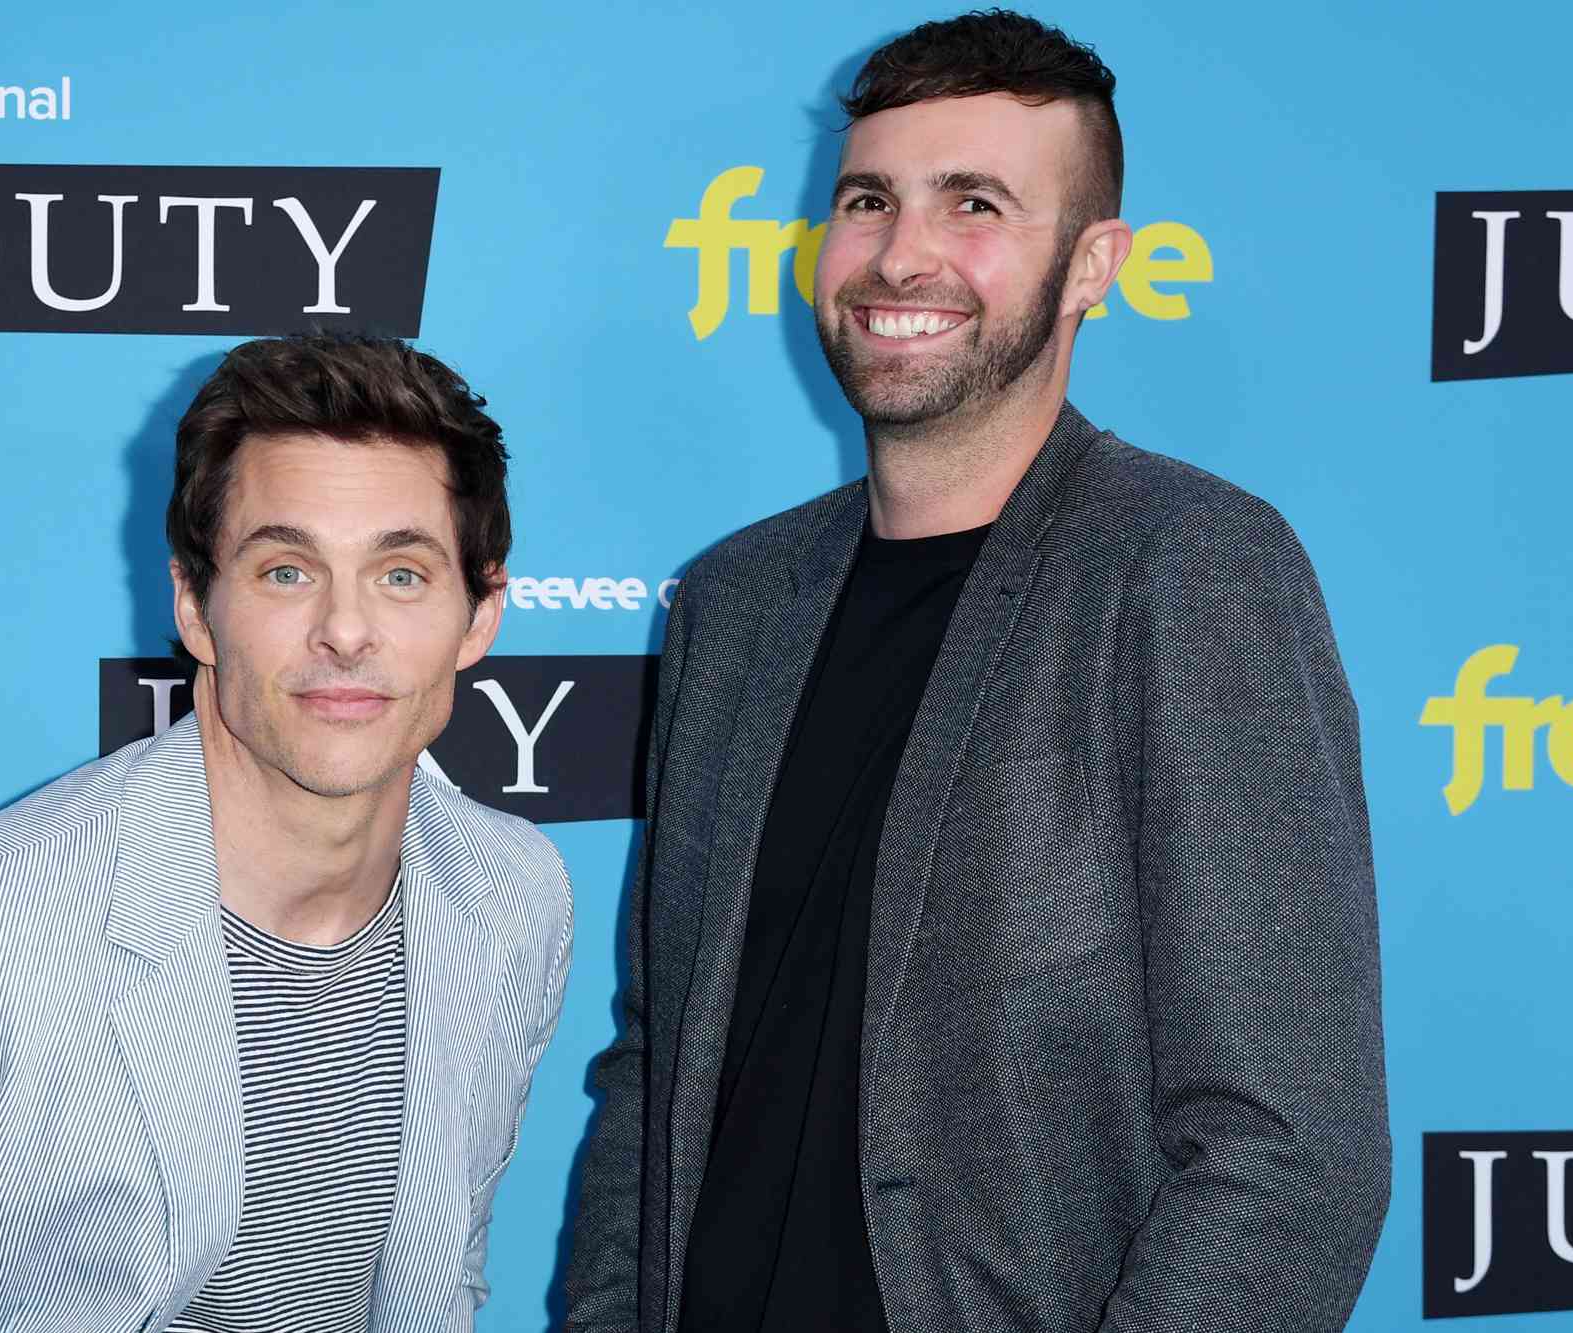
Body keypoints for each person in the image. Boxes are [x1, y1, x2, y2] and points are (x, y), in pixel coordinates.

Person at [563, 11, 1388, 1333]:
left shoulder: (1187, 568)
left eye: (976, 204)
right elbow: (657, 1063)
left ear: (1091, 266)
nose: (902, 253)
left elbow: (1290, 1155)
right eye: (869, 200)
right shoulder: (734, 602)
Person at [0, 334, 573, 1333]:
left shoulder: (511, 890)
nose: (344, 631)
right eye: (283, 571)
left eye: (400, 575)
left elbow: (441, 1279)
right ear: (193, 603)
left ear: (479, 612)